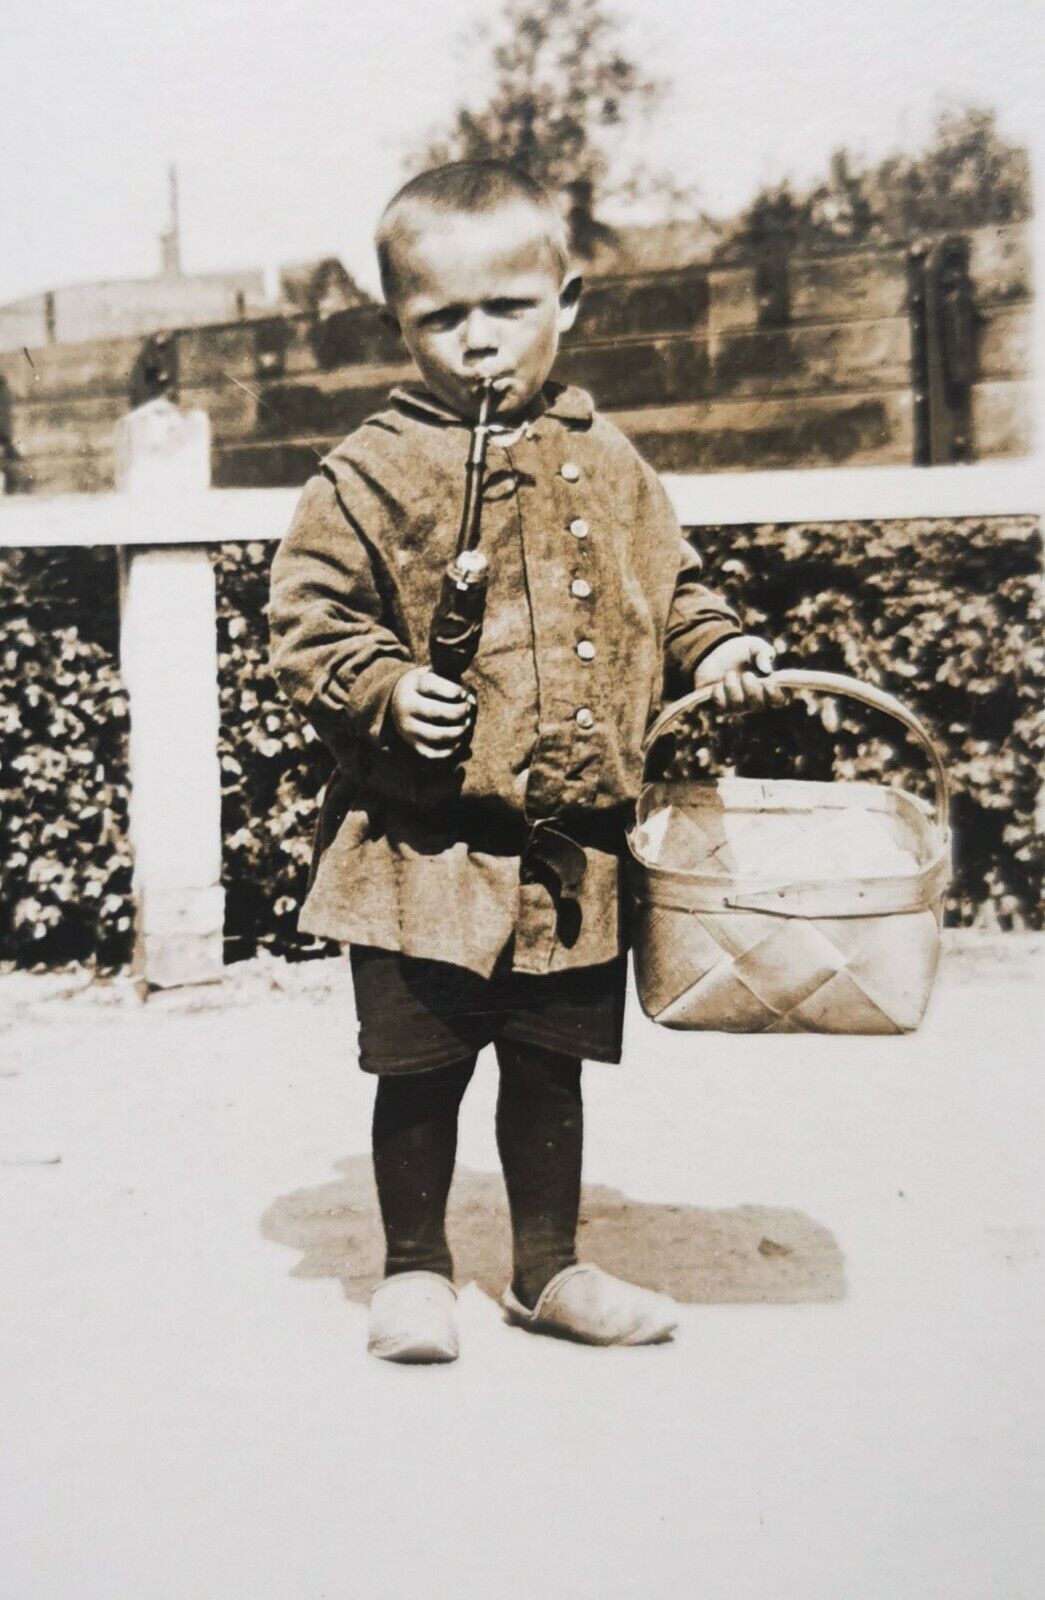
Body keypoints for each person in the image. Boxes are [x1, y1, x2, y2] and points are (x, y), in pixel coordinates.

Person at [268, 160, 781, 1363]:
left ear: (570, 302)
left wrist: (718, 650)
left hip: (569, 853)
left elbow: (678, 589)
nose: (477, 341)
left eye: (506, 307)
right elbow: (307, 620)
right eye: (441, 317)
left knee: (549, 1072)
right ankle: (412, 1270)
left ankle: (548, 1268)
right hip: (423, 847)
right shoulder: (367, 471)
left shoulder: (610, 465)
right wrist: (387, 690)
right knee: (422, 1069)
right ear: (399, 321)